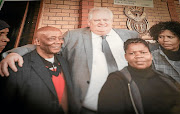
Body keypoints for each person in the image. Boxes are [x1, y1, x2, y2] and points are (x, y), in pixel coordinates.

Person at [0, 7, 139, 113]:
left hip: (127, 101)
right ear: (89, 22)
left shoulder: (129, 35)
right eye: (97, 20)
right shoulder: (73, 36)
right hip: (87, 105)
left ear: (111, 21)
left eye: (106, 20)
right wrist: (16, 53)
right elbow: (47, 46)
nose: (102, 23)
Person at [1, 26, 78, 114]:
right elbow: (7, 102)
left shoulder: (63, 61)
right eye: (52, 38)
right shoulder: (18, 65)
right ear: (37, 41)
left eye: (60, 38)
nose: (58, 42)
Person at [98, 38, 180, 114]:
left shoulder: (165, 78)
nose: (138, 56)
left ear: (151, 55)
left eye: (143, 52)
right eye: (132, 53)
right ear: (126, 57)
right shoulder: (116, 81)